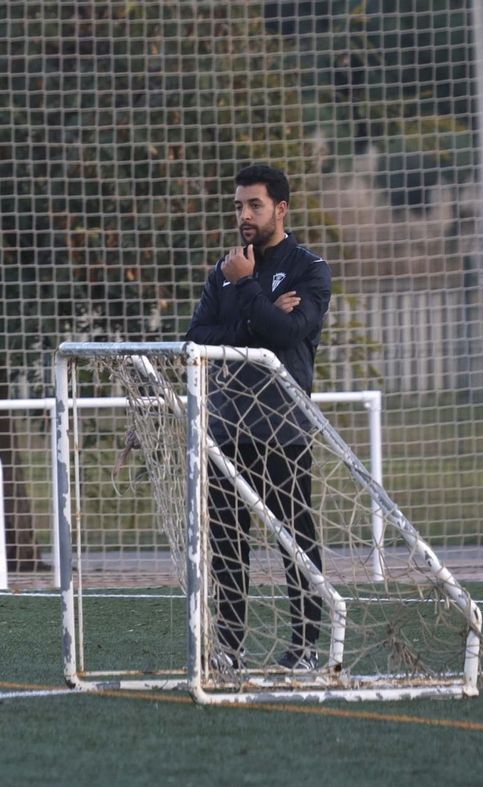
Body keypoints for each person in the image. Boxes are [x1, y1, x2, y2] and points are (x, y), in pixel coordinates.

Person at [184, 164, 332, 671]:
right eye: (239, 206)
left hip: (281, 431)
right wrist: (257, 313)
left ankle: (307, 647)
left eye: (255, 206)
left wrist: (247, 293)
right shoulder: (223, 271)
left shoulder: (309, 269)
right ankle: (229, 648)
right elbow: (196, 339)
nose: (244, 215)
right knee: (227, 542)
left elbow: (290, 335)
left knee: (295, 540)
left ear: (280, 209)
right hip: (225, 429)